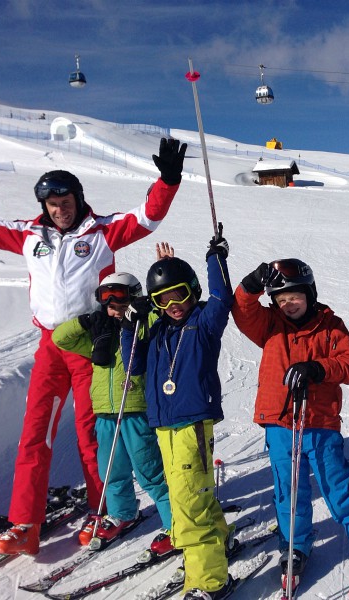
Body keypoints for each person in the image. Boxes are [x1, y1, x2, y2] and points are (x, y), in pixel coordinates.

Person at [0, 138, 187, 555]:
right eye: (51, 203)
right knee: (35, 433)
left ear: (77, 199)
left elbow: (148, 216)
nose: (59, 208)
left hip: (92, 344)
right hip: (50, 345)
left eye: (65, 200)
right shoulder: (29, 235)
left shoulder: (102, 232)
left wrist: (169, 180)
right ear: (44, 206)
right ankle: (24, 523)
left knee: (92, 434)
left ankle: (102, 509)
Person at [232, 259, 349, 598]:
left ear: (309, 293)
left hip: (319, 422)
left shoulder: (330, 325)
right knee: (288, 491)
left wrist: (318, 369)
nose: (288, 305)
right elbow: (242, 311)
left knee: (338, 488)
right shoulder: (270, 325)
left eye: (294, 296)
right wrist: (250, 285)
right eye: (280, 299)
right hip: (280, 423)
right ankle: (295, 545)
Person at [122, 233, 233, 600]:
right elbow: (134, 364)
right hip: (165, 427)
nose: (173, 304)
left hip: (190, 423)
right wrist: (131, 324)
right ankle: (218, 545)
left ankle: (208, 580)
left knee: (190, 499)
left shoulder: (202, 323)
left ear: (192, 292)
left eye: (180, 294)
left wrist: (214, 258)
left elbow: (220, 298)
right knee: (190, 492)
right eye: (162, 299)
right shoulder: (155, 332)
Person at [51, 270, 174, 554]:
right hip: (105, 414)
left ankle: (175, 522)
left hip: (134, 411)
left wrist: (148, 308)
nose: (114, 310)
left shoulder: (143, 328)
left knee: (150, 472)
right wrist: (86, 321)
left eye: (121, 305)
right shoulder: (100, 336)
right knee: (112, 470)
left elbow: (162, 321)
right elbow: (61, 338)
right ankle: (123, 512)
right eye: (109, 305)